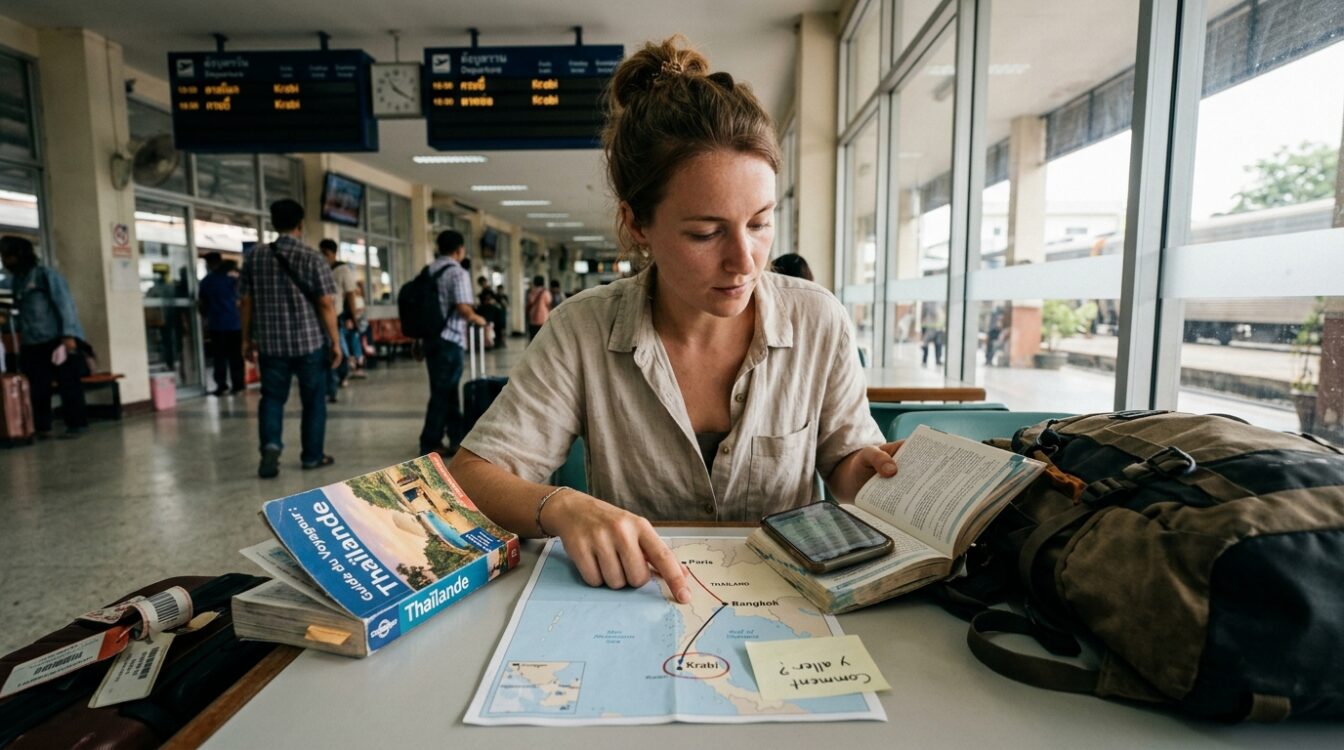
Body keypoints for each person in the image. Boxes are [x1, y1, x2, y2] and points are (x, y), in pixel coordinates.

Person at [448, 37, 897, 604]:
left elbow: (845, 462)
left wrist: (875, 472)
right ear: (638, 224)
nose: (744, 261)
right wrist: (559, 505)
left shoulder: (817, 319)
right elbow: (470, 476)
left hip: (791, 604)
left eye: (760, 223)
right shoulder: (583, 331)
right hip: (639, 602)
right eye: (705, 233)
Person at [239, 200, 342, 478]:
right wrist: (335, 342)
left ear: (274, 223)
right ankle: (312, 456)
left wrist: (246, 339)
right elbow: (326, 303)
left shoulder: (255, 257)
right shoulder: (312, 257)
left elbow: (245, 302)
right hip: (309, 343)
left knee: (272, 398)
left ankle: (271, 446)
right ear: (300, 224)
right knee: (313, 400)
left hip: (271, 344)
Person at [0, 235, 89, 439]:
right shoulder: (15, 282)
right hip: (31, 341)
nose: (5, 261)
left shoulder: (46, 275)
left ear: (19, 255)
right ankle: (42, 426)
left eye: (7, 256)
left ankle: (76, 424)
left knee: (68, 383)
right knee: (37, 386)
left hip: (56, 340)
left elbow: (65, 305)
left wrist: (68, 336)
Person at [419, 230, 488, 457]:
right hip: (450, 339)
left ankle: (456, 437)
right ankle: (429, 442)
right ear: (459, 250)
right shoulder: (457, 272)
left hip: (431, 339)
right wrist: (478, 319)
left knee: (445, 391)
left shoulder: (429, 270)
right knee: (443, 392)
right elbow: (463, 306)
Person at [198, 252, 245, 395]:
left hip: (216, 325)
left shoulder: (206, 281)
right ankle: (238, 385)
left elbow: (202, 304)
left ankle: (221, 386)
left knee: (219, 357)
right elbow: (241, 299)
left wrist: (205, 319)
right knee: (235, 356)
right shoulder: (231, 279)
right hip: (234, 323)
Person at [319, 239, 361, 398]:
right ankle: (331, 384)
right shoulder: (319, 268)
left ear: (333, 253)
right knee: (328, 350)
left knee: (338, 348)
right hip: (320, 317)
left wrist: (353, 316)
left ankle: (339, 377)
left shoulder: (343, 269)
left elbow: (350, 294)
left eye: (326, 253)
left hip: (336, 315)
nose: (323, 256)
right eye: (321, 253)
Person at [525, 275, 551, 341]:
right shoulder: (545, 292)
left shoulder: (532, 292)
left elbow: (530, 301)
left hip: (533, 318)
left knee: (533, 338)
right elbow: (548, 302)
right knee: (542, 338)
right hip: (543, 318)